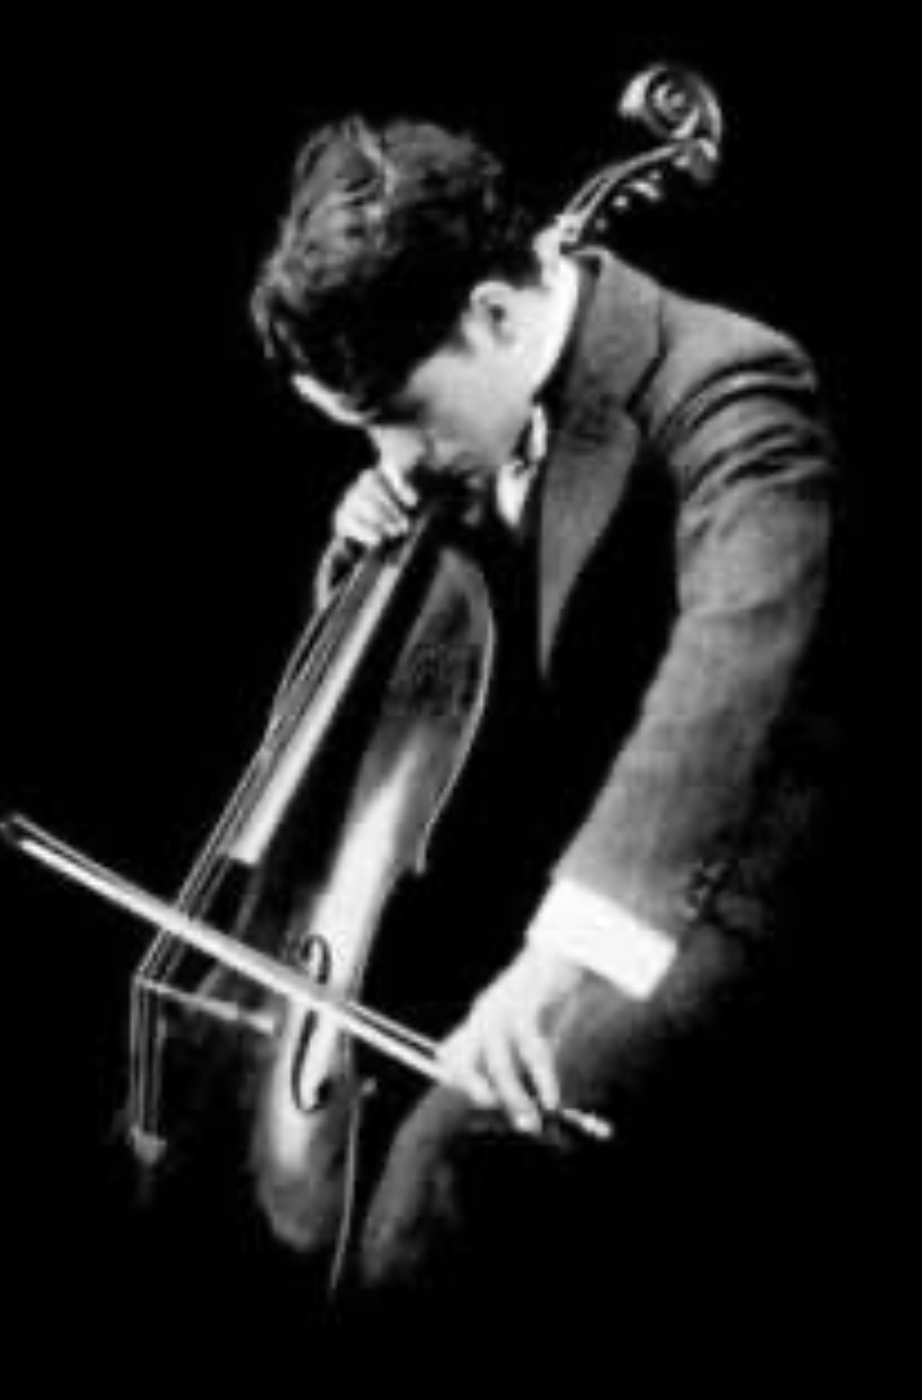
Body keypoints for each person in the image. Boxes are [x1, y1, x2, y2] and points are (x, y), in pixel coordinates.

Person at [232, 114, 846, 1359]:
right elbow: (432, 671)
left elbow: (722, 683)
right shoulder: (481, 395)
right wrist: (365, 558)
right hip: (549, 839)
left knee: (439, 1174)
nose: (396, 456)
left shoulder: (731, 388)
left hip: (711, 877)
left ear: (497, 315)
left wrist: (556, 961)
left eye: (402, 414)